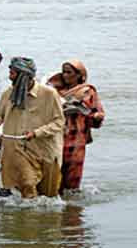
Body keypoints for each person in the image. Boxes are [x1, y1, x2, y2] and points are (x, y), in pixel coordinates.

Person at [0, 58, 64, 198]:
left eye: (13, 73)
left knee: (48, 194)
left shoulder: (49, 95)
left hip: (43, 149)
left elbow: (59, 122)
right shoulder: (9, 93)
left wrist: (36, 133)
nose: (10, 77)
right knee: (27, 184)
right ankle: (26, 217)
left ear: (24, 75)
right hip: (18, 149)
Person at [47, 59, 105, 193]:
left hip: (77, 139)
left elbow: (96, 115)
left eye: (69, 72)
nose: (66, 75)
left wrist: (94, 117)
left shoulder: (87, 91)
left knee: (73, 178)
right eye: (64, 72)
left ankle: (71, 210)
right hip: (56, 137)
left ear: (79, 75)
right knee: (52, 175)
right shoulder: (54, 91)